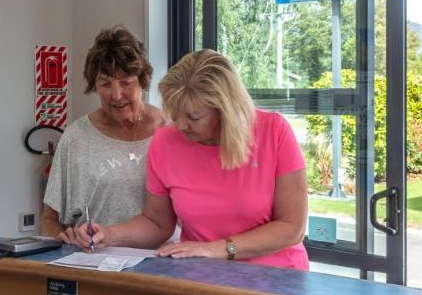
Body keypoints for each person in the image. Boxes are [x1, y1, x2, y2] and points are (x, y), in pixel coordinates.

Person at [82, 49, 309, 269]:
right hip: (201, 278)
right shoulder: (165, 141)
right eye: (175, 114)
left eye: (193, 116)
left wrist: (217, 249)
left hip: (276, 278)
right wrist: (109, 235)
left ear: (225, 111)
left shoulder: (274, 132)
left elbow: (292, 227)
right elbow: (157, 223)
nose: (180, 125)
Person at [40, 27, 165, 244]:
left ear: (142, 80)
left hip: (161, 264)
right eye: (105, 83)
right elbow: (49, 220)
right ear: (94, 85)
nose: (116, 95)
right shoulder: (76, 138)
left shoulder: (168, 131)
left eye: (126, 82)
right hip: (95, 263)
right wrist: (62, 239)